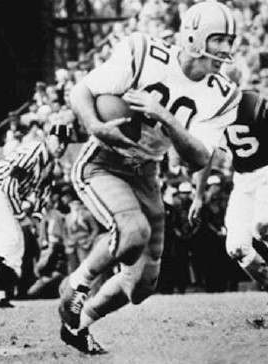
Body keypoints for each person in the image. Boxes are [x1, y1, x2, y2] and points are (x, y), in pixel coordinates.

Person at [58, 1, 240, 354]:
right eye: (218, 38)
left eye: (229, 40)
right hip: (104, 160)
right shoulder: (144, 52)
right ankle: (76, 285)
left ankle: (78, 325)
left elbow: (199, 158)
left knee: (141, 285)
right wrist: (96, 127)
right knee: (133, 232)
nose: (226, 50)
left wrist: (166, 117)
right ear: (193, 35)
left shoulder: (222, 94)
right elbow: (80, 91)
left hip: (147, 170)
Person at [0, 122, 73, 309]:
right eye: (59, 141)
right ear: (48, 138)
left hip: (3, 194)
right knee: (8, 241)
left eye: (66, 143)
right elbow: (9, 184)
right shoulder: (34, 153)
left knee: (17, 248)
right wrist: (21, 216)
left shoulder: (49, 165)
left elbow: (44, 196)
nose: (62, 146)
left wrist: (35, 219)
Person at [189, 90, 268, 301]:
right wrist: (198, 196)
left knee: (262, 226)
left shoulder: (254, 104)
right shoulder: (210, 113)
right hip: (242, 181)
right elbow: (204, 156)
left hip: (266, 172)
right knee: (236, 247)